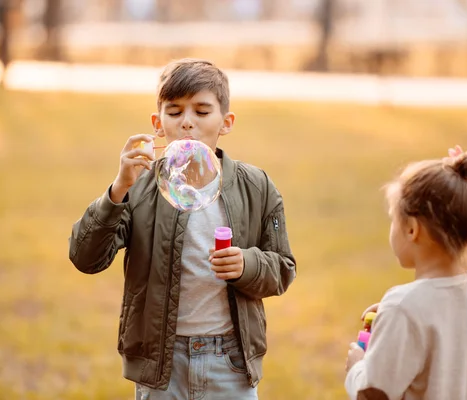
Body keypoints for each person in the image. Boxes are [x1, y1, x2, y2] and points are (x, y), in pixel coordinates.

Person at [68, 58, 296, 399]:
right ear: (158, 124)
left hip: (231, 363)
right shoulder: (140, 186)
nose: (187, 122)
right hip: (163, 364)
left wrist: (247, 265)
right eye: (174, 112)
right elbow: (86, 258)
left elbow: (283, 267)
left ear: (226, 122)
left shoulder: (257, 186)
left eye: (202, 112)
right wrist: (118, 190)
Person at [345, 145, 467, 400]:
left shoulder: (404, 308)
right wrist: (393, 317)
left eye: (393, 219)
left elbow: (373, 394)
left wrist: (356, 368)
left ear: (411, 230)